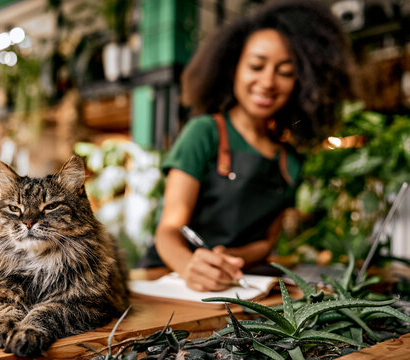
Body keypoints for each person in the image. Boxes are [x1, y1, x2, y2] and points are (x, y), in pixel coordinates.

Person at [139, 0, 356, 292]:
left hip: (236, 284)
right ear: (233, 69)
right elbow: (169, 228)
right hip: (170, 279)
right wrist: (190, 266)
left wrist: (231, 258)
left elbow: (266, 243)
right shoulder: (204, 132)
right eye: (256, 65)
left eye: (285, 71)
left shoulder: (289, 161)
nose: (268, 81)